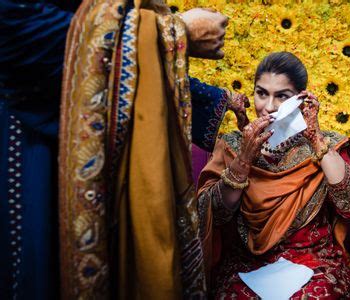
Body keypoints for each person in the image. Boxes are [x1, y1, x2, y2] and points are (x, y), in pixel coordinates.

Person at [0, 0, 248, 299]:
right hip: (41, 153)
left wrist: (214, 98)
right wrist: (171, 33)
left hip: (116, 152)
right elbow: (16, 34)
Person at [197, 52, 350, 299]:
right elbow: (211, 214)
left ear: (301, 99)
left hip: (314, 260)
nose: (268, 107)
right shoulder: (234, 145)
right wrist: (244, 160)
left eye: (282, 96)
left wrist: (315, 139)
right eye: (261, 93)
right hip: (249, 263)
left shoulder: (323, 144)